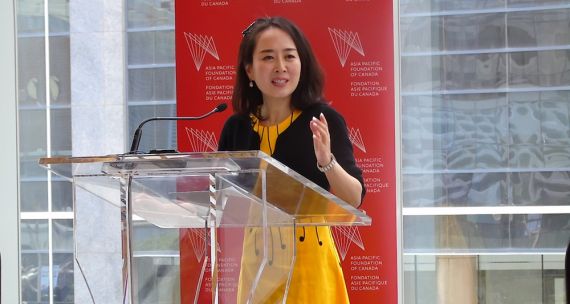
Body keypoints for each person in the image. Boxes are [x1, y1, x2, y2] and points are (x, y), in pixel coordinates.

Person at [218, 16, 365, 303]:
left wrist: (327, 161)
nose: (280, 67)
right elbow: (222, 200)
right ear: (249, 70)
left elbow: (354, 197)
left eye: (289, 56)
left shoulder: (323, 120)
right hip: (256, 261)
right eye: (268, 57)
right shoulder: (236, 128)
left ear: (302, 64)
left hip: (309, 261)